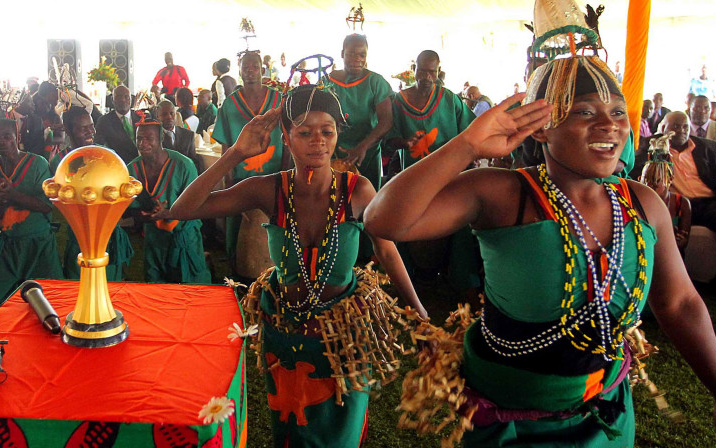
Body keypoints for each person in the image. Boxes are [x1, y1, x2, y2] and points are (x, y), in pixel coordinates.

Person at [365, 52, 716, 446]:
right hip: (507, 424)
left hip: (606, 416)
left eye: (617, 112)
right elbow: (383, 220)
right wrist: (467, 145)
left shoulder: (642, 204)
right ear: (541, 129)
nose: (609, 124)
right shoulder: (504, 194)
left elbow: (679, 304)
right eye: (585, 111)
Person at [161, 84, 427, 447]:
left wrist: (420, 314)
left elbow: (387, 251)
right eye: (304, 133)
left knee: (340, 433)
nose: (318, 141)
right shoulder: (269, 189)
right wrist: (236, 152)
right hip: (285, 333)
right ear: (285, 137)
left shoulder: (358, 190)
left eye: (327, 131)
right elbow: (182, 210)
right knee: (293, 426)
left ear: (337, 135)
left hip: (344, 335)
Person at [388, 50, 479, 295]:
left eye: (432, 72)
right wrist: (405, 142)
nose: (426, 77)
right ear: (413, 69)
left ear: (439, 72)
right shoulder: (398, 101)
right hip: (413, 177)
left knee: (457, 223)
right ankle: (406, 278)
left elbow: (470, 131)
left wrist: (469, 160)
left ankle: (462, 280)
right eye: (422, 71)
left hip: (449, 175)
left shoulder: (449, 99)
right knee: (408, 221)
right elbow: (388, 137)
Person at [212, 51, 286, 263]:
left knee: (274, 225)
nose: (250, 71)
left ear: (262, 70)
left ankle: (274, 267)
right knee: (238, 226)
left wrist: (285, 173)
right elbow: (226, 144)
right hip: (240, 177)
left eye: (254, 67)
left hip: (273, 175)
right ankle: (235, 268)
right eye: (245, 67)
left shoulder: (279, 100)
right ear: (240, 71)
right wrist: (227, 179)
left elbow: (288, 140)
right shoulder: (230, 105)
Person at [0, 119, 62, 303]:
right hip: (9, 242)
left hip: (38, 240)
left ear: (17, 137)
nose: (1, 142)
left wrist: (13, 195)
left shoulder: (38, 163)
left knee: (52, 294)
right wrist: (2, 201)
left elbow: (47, 206)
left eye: (6, 136)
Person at [52, 106, 134, 281]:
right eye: (83, 128)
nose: (90, 132)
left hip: (108, 229)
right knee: (81, 279)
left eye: (91, 126)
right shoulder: (61, 162)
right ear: (69, 130)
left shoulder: (107, 156)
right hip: (80, 231)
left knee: (111, 281)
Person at [125, 122, 210, 284]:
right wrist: (145, 216)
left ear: (161, 138)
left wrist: (169, 214)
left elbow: (196, 205)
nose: (143, 143)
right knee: (155, 285)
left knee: (190, 285)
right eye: (139, 138)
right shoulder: (132, 170)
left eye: (149, 138)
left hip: (184, 237)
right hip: (154, 238)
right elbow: (129, 208)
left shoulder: (184, 165)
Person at [637, 111, 716, 235]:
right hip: (681, 206)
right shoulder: (654, 148)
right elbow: (637, 171)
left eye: (685, 127)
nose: (681, 130)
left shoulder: (708, 147)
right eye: (675, 126)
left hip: (712, 202)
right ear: (663, 128)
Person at [325, 34, 394, 191]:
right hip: (334, 152)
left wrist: (362, 147)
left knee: (367, 196)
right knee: (334, 196)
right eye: (351, 54)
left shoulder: (375, 82)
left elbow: (386, 121)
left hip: (367, 153)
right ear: (342, 54)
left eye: (362, 55)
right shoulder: (327, 82)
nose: (357, 59)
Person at [639, 134, 691, 254]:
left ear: (670, 179)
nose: (650, 185)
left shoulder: (682, 203)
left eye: (656, 181)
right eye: (646, 181)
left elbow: (683, 242)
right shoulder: (638, 201)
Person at [94, 85, 143, 164]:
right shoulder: (104, 121)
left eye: (126, 96)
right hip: (119, 165)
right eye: (119, 97)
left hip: (144, 165)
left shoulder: (141, 117)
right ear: (112, 100)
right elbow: (98, 146)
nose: (123, 100)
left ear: (131, 99)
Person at [157, 99, 198, 165]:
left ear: (176, 114)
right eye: (164, 114)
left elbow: (192, 162)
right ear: (157, 117)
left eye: (172, 113)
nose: (169, 117)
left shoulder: (188, 135)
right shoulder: (155, 137)